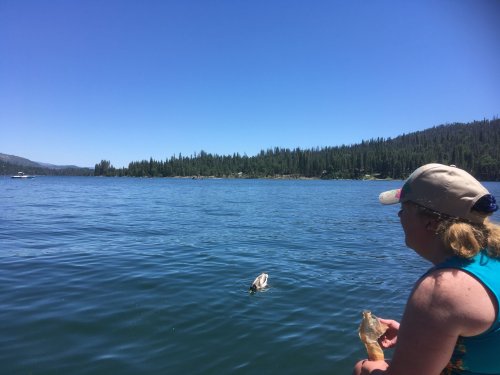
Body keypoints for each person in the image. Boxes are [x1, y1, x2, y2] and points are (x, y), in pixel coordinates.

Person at [353, 163, 500, 375]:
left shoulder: (442, 289)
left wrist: (367, 369)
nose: (399, 216)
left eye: (404, 209)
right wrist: (416, 335)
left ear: (431, 222)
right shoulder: (491, 261)